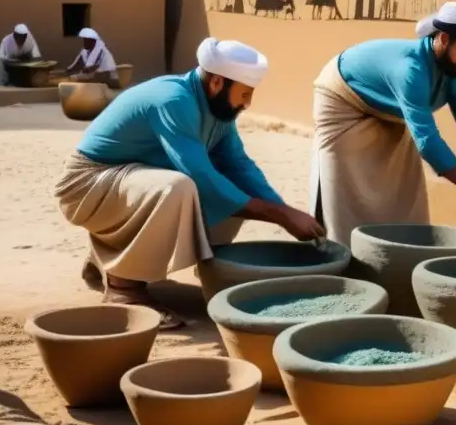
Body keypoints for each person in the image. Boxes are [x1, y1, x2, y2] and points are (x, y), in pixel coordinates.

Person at [54, 37, 325, 329]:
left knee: (230, 191)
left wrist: (281, 209)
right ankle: (124, 290)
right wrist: (278, 215)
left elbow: (238, 165)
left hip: (125, 185)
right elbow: (198, 175)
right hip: (86, 184)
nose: (247, 103)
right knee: (180, 187)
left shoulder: (218, 110)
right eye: (245, 94)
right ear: (218, 82)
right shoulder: (174, 100)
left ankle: (110, 260)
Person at [310, 1, 456, 245]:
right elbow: (429, 143)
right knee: (349, 190)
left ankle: (397, 252)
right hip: (342, 99)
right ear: (443, 38)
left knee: (403, 186)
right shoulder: (410, 71)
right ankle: (347, 257)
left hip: (386, 106)